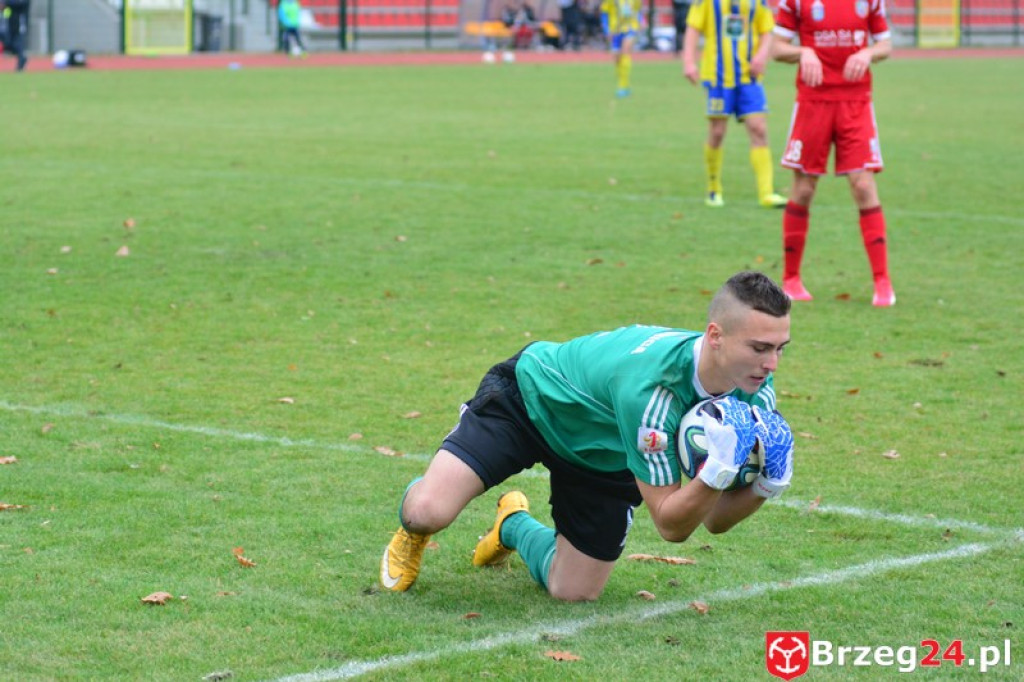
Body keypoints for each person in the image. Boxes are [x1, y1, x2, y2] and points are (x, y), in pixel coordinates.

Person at [380, 271, 795, 602]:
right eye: (759, 348)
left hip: (606, 453)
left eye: (780, 349)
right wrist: (717, 472)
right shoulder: (652, 391)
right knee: (429, 511)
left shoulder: (755, 394)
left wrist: (766, 484)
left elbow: (713, 519)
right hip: (530, 401)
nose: (772, 364)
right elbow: (671, 525)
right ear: (715, 336)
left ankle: (512, 524)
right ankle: (414, 525)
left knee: (573, 591)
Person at [771, 0, 895, 306]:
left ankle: (882, 282)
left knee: (864, 185)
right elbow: (777, 48)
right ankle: (791, 279)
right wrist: (803, 51)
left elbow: (886, 44)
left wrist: (868, 52)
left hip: (856, 102)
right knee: (803, 188)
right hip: (813, 101)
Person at [682, 0, 787, 209]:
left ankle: (766, 193)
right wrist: (688, 62)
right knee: (717, 131)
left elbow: (766, 29)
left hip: (749, 76)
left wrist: (761, 55)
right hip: (718, 77)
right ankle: (714, 189)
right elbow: (693, 28)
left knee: (758, 127)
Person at [600, 0, 643, 98]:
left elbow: (638, 10)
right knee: (617, 59)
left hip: (630, 28)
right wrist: (606, 30)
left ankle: (623, 86)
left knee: (626, 52)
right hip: (615, 30)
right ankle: (623, 84)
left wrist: (641, 22)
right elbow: (604, 13)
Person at [1, 0, 30, 72]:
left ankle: (21, 63)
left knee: (19, 44)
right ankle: (22, 58)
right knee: (8, 43)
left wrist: (5, 3)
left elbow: (20, 4)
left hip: (20, 25)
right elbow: (6, 11)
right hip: (10, 25)